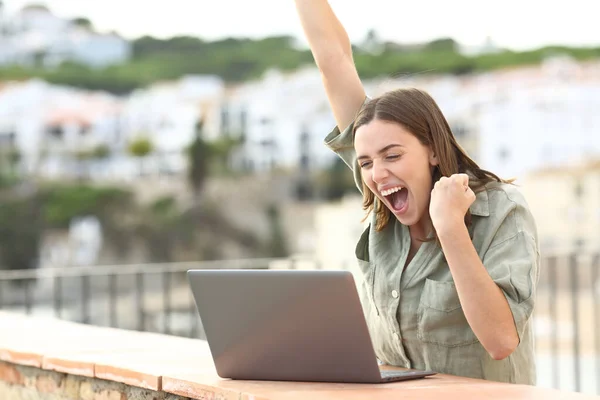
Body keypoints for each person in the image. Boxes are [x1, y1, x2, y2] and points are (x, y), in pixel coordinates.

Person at [294, 0, 540, 385]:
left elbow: (501, 340)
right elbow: (333, 59)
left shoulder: (501, 210)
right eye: (366, 162)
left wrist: (450, 228)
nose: (377, 173)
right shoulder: (384, 194)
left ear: (432, 151)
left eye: (392, 155)